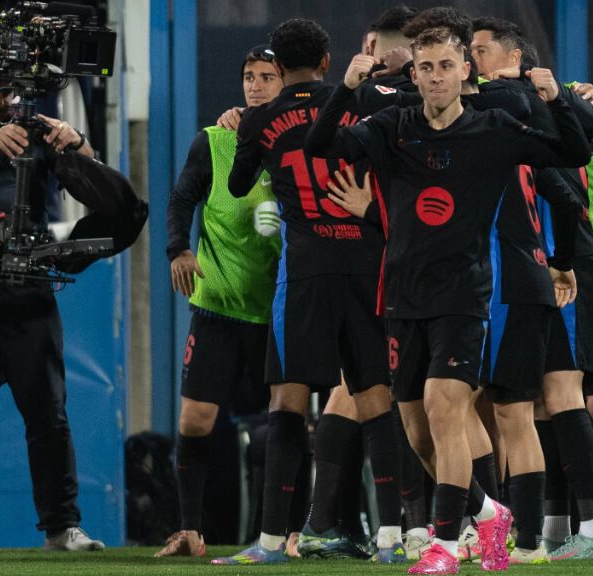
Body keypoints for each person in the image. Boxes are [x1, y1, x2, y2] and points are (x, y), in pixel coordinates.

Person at [305, 26, 592, 574]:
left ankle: (444, 547)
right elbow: (321, 147)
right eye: (426, 67)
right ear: (414, 75)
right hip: (403, 297)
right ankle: (487, 512)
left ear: (466, 72)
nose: (436, 77)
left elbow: (574, 150)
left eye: (446, 66)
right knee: (417, 432)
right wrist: (343, 88)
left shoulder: (496, 128)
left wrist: (559, 97)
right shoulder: (393, 126)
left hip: (464, 296)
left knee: (444, 410)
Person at [211, 19, 404, 565]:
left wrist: (252, 131)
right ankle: (390, 537)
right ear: (325, 61)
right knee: (375, 399)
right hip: (366, 265)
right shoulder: (361, 102)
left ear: (283, 64)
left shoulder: (262, 117)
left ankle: (273, 541)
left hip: (307, 271)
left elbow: (237, 184)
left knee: (287, 403)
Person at [473, 17, 593, 560]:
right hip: (555, 255)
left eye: (478, 52)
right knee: (549, 399)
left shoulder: (558, 101)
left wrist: (569, 100)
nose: (471, 63)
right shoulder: (522, 105)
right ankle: (556, 527)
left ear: (512, 58)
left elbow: (574, 168)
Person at [0, 69, 104, 552]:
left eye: (7, 93)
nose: (1, 103)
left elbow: (93, 181)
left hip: (26, 288)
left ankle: (62, 527)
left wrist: (77, 141)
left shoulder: (33, 127)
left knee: (47, 413)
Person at [154, 45, 284, 558]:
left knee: (287, 423)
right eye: (249, 76)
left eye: (266, 77)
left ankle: (286, 534)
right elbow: (182, 198)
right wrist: (178, 249)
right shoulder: (214, 140)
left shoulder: (302, 143)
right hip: (218, 307)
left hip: (278, 310)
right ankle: (190, 531)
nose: (255, 86)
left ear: (285, 82)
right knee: (194, 421)